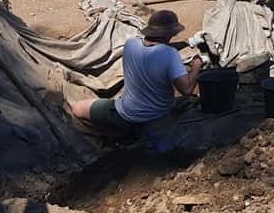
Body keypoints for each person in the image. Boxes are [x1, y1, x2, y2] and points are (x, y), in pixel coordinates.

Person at [69, 10, 201, 134]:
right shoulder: (170, 55)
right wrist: (196, 66)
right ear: (172, 33)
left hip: (125, 115)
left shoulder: (131, 44)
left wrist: (189, 42)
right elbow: (187, 90)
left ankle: (113, 134)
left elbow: (158, 49)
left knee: (77, 108)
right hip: (158, 116)